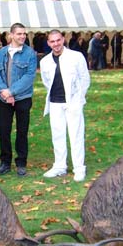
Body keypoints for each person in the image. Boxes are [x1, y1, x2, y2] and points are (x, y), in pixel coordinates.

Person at [39, 30, 90, 182]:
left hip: (73, 102)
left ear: (63, 40)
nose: (56, 44)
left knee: (76, 135)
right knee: (57, 135)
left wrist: (78, 100)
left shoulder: (76, 57)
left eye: (58, 40)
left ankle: (79, 168)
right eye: (52, 41)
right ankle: (60, 166)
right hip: (55, 102)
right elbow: (46, 81)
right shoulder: (45, 62)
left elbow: (84, 79)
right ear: (48, 43)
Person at [0, 23, 37, 177]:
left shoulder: (30, 54)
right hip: (4, 99)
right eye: (19, 34)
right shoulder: (1, 53)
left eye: (24, 34)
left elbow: (29, 77)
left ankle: (21, 163)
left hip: (23, 98)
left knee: (22, 131)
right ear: (11, 35)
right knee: (4, 131)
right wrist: (5, 92)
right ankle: (5, 162)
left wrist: (11, 91)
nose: (22, 36)